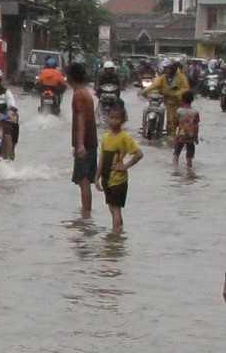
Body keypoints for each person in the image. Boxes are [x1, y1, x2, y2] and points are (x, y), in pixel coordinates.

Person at [95, 103, 143, 232]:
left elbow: (138, 154)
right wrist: (97, 177)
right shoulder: (105, 137)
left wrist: (125, 166)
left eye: (116, 118)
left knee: (116, 209)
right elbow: (102, 159)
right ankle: (117, 233)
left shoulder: (125, 137)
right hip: (107, 178)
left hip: (118, 180)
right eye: (111, 117)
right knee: (112, 208)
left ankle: (116, 235)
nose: (113, 120)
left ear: (122, 120)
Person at [67, 62, 98, 214]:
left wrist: (80, 144)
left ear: (69, 78)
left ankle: (86, 213)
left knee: (84, 179)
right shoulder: (86, 93)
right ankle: (86, 212)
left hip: (86, 142)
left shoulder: (79, 95)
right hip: (90, 141)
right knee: (84, 180)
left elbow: (81, 118)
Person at [138, 60, 189, 136]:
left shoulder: (182, 78)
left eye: (168, 69)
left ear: (173, 68)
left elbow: (185, 89)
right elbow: (153, 85)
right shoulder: (163, 77)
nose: (166, 71)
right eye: (165, 68)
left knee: (180, 122)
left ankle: (179, 138)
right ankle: (171, 136)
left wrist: (176, 94)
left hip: (179, 103)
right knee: (170, 121)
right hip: (169, 103)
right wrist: (144, 91)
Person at [173, 90, 200, 168]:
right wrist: (196, 137)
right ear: (192, 100)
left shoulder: (179, 111)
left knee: (176, 153)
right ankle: (189, 169)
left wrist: (175, 135)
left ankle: (175, 169)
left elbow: (176, 124)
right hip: (191, 136)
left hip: (181, 135)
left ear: (182, 99)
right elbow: (196, 125)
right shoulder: (195, 112)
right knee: (189, 155)